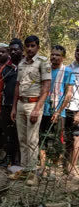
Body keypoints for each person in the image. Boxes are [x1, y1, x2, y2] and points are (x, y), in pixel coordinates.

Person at [10, 35, 51, 185]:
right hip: (21, 103)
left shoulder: (43, 62)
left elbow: (46, 87)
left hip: (34, 104)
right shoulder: (22, 63)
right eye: (27, 46)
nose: (30, 49)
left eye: (33, 46)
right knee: (22, 138)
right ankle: (25, 170)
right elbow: (17, 85)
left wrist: (37, 108)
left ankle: (33, 173)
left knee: (32, 139)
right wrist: (14, 107)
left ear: (38, 47)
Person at [39, 45, 74, 175]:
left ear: (63, 57)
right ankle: (42, 166)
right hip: (43, 110)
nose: (54, 57)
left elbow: (68, 93)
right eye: (52, 54)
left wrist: (59, 111)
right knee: (41, 138)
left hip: (58, 112)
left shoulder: (67, 72)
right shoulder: (45, 69)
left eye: (57, 55)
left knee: (56, 141)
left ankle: (52, 169)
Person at [0, 39, 23, 166]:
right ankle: (8, 160)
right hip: (7, 106)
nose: (13, 52)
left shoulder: (26, 67)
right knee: (8, 134)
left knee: (19, 135)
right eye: (11, 50)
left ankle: (18, 161)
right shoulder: (6, 69)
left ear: (22, 50)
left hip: (22, 106)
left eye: (16, 49)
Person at [65, 43, 79, 177]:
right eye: (77, 50)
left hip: (78, 109)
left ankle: (73, 167)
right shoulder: (69, 68)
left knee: (76, 138)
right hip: (68, 107)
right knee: (68, 137)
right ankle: (66, 163)